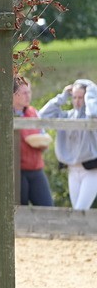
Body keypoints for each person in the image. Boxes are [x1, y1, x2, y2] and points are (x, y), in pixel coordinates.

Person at [40, 78, 97, 209]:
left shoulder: (91, 117)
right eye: (75, 97)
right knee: (76, 212)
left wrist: (91, 92)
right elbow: (42, 115)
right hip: (72, 169)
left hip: (91, 170)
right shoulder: (66, 117)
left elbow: (93, 112)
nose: (77, 101)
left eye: (81, 97)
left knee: (80, 210)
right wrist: (63, 96)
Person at [12, 78, 52, 207]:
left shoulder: (33, 112)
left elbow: (43, 134)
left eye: (29, 92)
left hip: (36, 168)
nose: (28, 96)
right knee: (19, 211)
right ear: (13, 94)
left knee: (48, 208)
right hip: (16, 171)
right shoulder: (4, 114)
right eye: (24, 93)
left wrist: (43, 144)